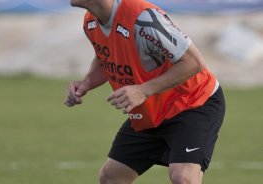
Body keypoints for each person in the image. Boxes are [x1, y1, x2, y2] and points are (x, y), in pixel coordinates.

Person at [65, 0, 226, 183]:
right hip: (151, 110)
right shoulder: (90, 22)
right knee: (111, 178)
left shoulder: (143, 18)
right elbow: (107, 58)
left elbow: (194, 63)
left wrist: (143, 90)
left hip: (192, 103)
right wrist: (86, 83)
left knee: (183, 177)